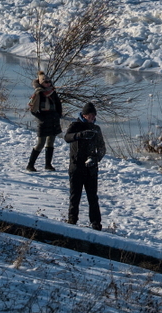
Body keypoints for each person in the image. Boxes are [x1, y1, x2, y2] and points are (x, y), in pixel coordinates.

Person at [63, 102, 106, 230]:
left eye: (94, 116)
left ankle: (96, 224)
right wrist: (80, 135)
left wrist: (96, 158)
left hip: (91, 169)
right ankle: (72, 221)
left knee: (93, 197)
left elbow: (102, 148)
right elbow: (67, 138)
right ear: (84, 115)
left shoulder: (96, 129)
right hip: (76, 166)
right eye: (90, 115)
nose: (92, 118)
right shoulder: (75, 125)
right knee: (75, 196)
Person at [25, 71, 63, 172]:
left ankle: (48, 165)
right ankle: (30, 165)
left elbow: (58, 104)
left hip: (54, 119)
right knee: (40, 143)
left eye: (49, 82)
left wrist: (58, 115)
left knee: (51, 142)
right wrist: (42, 118)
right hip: (44, 121)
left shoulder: (53, 92)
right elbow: (32, 109)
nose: (48, 83)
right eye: (46, 82)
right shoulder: (38, 93)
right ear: (41, 83)